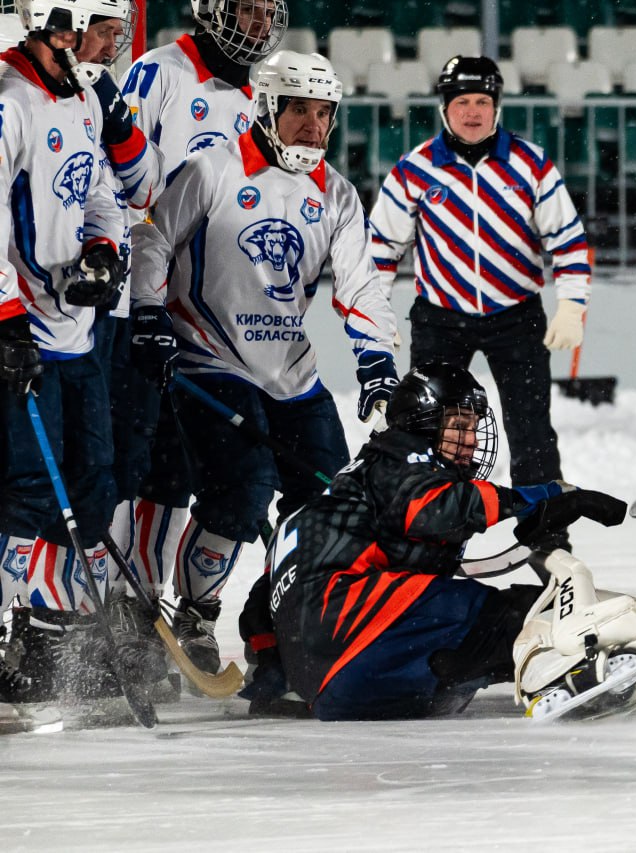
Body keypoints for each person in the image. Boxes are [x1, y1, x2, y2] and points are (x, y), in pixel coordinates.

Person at [239, 362, 636, 721]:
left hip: (337, 692)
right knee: (520, 617)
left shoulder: (330, 503)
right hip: (366, 635)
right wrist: (544, 499)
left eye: (471, 426)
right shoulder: (398, 458)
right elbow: (438, 508)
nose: (469, 439)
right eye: (457, 425)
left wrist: (271, 681)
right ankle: (594, 671)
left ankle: (625, 650)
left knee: (491, 635)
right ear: (421, 425)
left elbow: (261, 608)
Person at [129, 49, 399, 675]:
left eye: (324, 113)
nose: (313, 125)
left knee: (331, 499)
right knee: (243, 489)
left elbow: (361, 288)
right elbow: (153, 239)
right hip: (209, 361)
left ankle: (294, 622)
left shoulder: (336, 194)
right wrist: (147, 313)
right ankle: (196, 614)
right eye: (299, 109)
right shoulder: (211, 169)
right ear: (266, 109)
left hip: (291, 372)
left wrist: (377, 363)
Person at [367, 56, 592, 549]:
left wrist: (572, 304)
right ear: (445, 109)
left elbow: (568, 239)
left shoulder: (531, 163)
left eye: (482, 102)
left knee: (531, 431)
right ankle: (424, 532)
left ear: (497, 107)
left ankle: (547, 537)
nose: (473, 112)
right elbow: (379, 248)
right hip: (440, 319)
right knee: (428, 430)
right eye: (462, 102)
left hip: (516, 317)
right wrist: (375, 317)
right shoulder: (415, 169)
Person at [113, 0, 288, 627]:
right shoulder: (159, 72)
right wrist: (143, 292)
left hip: (215, 322)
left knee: (211, 472)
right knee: (146, 466)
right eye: (247, 11)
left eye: (267, 13)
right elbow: (123, 178)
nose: (259, 24)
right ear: (212, 10)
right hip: (144, 309)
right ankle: (129, 607)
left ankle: (180, 611)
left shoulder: (264, 97)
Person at [0, 0, 153, 704]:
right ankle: (21, 633)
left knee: (90, 484)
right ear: (61, 25)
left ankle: (58, 635)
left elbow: (101, 194)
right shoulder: (10, 102)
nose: (111, 45)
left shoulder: (84, 98)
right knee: (32, 492)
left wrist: (102, 248)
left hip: (76, 334)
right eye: (104, 31)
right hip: (19, 334)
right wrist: (5, 318)